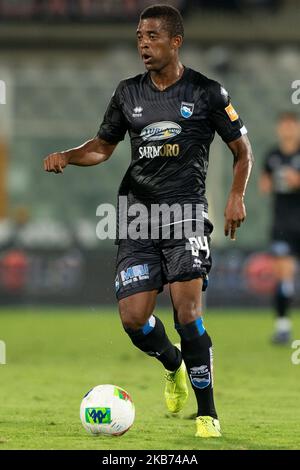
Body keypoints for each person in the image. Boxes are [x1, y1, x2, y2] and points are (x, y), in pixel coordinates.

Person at [44, 4, 253, 437]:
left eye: (153, 36)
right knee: (134, 319)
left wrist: (236, 195)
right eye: (139, 36)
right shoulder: (127, 93)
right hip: (138, 216)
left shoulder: (207, 92)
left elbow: (242, 151)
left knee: (187, 312)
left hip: (186, 214)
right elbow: (103, 147)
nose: (143, 43)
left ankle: (207, 414)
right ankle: (172, 363)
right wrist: (68, 155)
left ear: (175, 41)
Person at [260, 112, 300, 344]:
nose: (286, 130)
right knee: (283, 277)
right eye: (283, 126)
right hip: (282, 224)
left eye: (291, 126)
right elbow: (264, 185)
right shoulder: (272, 156)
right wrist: (273, 181)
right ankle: (283, 327)